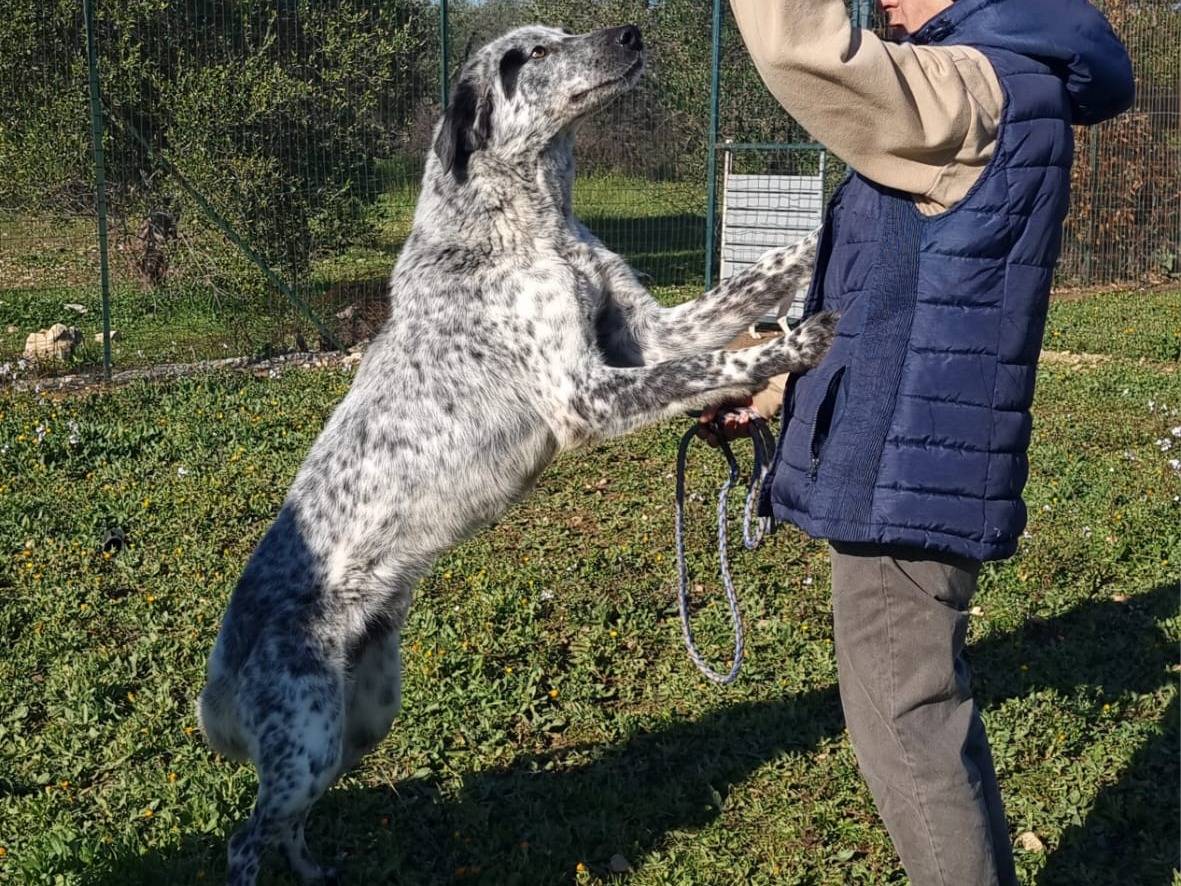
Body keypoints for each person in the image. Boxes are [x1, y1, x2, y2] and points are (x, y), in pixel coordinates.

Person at [707, 1, 1134, 883]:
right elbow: (898, 301)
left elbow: (805, 49)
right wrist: (778, 380)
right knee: (915, 716)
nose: (882, 4)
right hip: (907, 456)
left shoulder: (976, 88)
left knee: (908, 728)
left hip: (906, 476)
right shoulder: (987, 85)